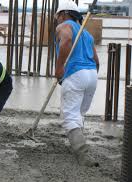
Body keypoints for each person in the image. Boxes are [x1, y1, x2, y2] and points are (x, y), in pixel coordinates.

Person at [54, 0, 100, 167]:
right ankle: (77, 143)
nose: (57, 19)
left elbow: (65, 41)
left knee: (70, 117)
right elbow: (96, 60)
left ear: (64, 14)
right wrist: (92, 76)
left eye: (57, 16)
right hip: (91, 73)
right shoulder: (85, 33)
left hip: (75, 73)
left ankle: (83, 154)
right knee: (79, 112)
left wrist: (59, 67)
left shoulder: (64, 26)